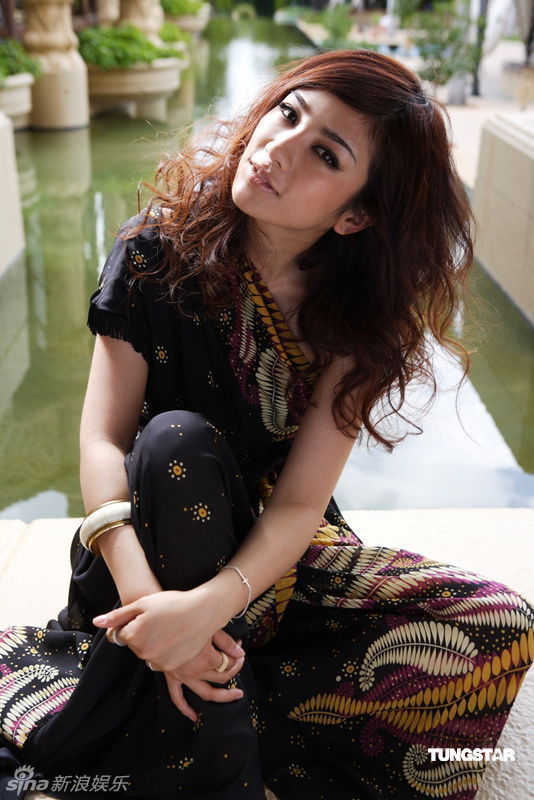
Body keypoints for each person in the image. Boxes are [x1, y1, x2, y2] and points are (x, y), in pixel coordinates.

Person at [0, 49, 533, 800]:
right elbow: (102, 441)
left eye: (325, 154)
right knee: (177, 440)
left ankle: (215, 692)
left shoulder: (357, 319)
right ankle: (221, 736)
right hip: (146, 538)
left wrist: (206, 610)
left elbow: (299, 503)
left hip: (274, 562)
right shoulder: (153, 251)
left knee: (500, 624)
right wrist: (155, 605)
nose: (278, 148)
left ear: (355, 214)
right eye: (287, 114)